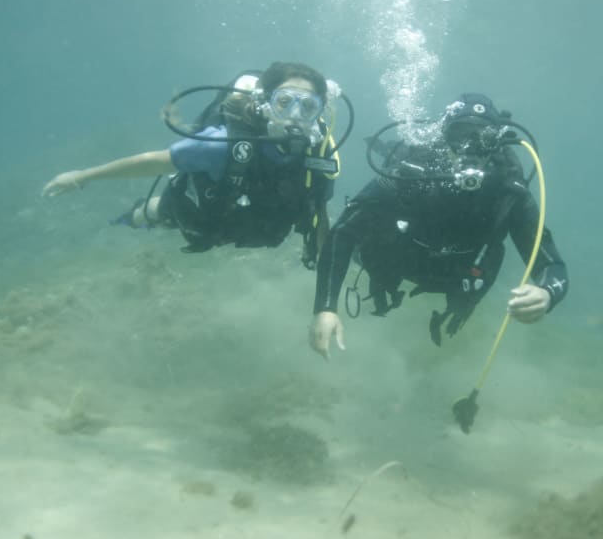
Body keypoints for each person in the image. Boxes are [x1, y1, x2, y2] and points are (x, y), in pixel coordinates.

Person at [309, 92, 568, 358]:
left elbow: (551, 264)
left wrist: (547, 293)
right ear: (444, 136)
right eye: (460, 134)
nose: (469, 147)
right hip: (398, 260)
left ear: (497, 143)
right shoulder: (407, 175)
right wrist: (325, 307)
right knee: (368, 243)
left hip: (459, 277)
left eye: (483, 138)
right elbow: (343, 233)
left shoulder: (508, 191)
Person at [43, 62, 349, 267]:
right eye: (285, 102)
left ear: (321, 112)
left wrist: (326, 300)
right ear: (264, 102)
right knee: (154, 212)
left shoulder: (319, 154)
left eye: (308, 106)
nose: (295, 116)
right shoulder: (220, 143)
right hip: (202, 215)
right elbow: (153, 162)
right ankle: (126, 219)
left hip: (254, 223)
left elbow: (318, 209)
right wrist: (82, 176)